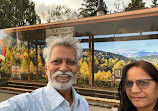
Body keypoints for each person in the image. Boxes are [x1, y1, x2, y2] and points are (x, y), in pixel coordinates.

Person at [0, 36, 89, 111]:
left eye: (71, 62)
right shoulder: (28, 103)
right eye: (56, 61)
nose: (64, 68)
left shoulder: (83, 103)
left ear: (78, 67)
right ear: (46, 66)